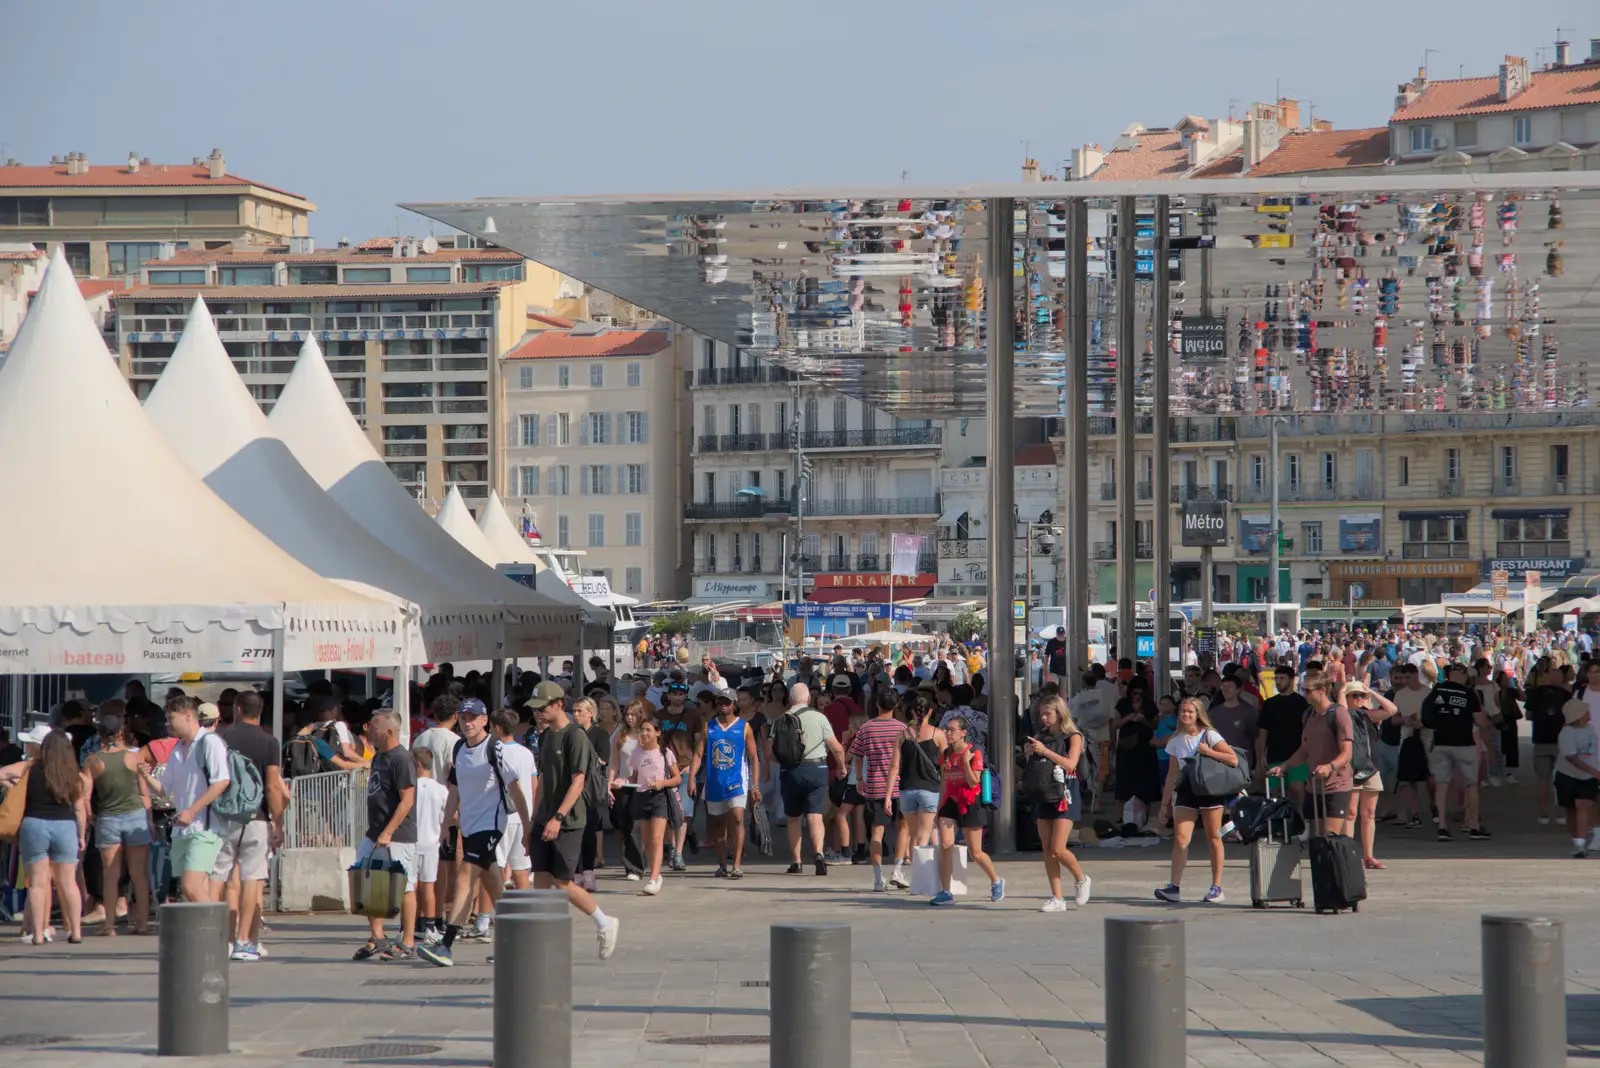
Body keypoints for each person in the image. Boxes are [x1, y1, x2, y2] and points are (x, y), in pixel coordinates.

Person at [417, 699, 531, 968]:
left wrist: (528, 828)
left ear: (484, 721)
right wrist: (446, 824)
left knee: (466, 875)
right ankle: (518, 940)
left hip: (491, 825)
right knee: (494, 884)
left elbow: (516, 790)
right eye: (464, 717)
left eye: (473, 718)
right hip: (468, 825)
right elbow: (454, 789)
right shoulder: (458, 747)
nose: (467, 723)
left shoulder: (495, 748)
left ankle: (446, 945)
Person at [529, 690, 619, 957]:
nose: (537, 712)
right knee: (541, 880)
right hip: (545, 818)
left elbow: (578, 781)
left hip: (568, 820)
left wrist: (558, 817)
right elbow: (544, 780)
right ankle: (544, 940)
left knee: (563, 883)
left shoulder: (575, 735)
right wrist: (534, 819)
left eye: (542, 706)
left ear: (558, 705)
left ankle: (604, 922)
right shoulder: (545, 736)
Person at [210, 691, 286, 961]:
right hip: (257, 817)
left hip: (223, 815)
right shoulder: (270, 742)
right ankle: (245, 942)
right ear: (260, 711)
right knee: (252, 878)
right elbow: (273, 785)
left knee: (219, 877)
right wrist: (278, 822)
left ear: (237, 708)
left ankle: (219, 940)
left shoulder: (221, 739)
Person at [3, 728, 87, 943]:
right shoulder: (73, 774)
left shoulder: (31, 770)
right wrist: (81, 834)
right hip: (65, 826)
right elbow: (79, 808)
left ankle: (38, 934)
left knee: (38, 883)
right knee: (68, 882)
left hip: (35, 825)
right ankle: (76, 931)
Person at [1154, 697, 1239, 905]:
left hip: (1209, 788)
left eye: (1190, 712)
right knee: (1181, 838)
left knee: (1213, 837)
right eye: (1183, 711)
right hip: (1186, 790)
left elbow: (1233, 759)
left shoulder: (1209, 735)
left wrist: (1208, 751)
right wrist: (1164, 805)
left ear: (1198, 714)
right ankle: (1174, 887)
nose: (1186, 715)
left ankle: (1216, 887)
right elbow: (1172, 774)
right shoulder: (1175, 740)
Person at [350, 711, 417, 962]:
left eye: (375, 726)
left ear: (389, 731)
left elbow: (407, 799)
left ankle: (408, 941)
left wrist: (389, 831)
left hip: (398, 835)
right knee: (364, 881)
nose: (369, 729)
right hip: (374, 832)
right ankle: (377, 936)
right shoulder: (379, 756)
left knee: (404, 886)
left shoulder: (401, 758)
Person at [152, 695, 232, 904]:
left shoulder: (210, 742)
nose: (167, 723)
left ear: (188, 716)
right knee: (192, 890)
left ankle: (217, 933)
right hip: (182, 830)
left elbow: (222, 782)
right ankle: (211, 933)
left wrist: (191, 810)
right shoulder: (178, 749)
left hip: (205, 827)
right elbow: (163, 788)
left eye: (171, 718)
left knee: (191, 886)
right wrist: (142, 776)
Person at [83, 708, 152, 937]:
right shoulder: (133, 758)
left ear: (100, 733)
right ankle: (141, 923)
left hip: (108, 819)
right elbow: (144, 793)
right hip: (135, 816)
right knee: (138, 874)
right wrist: (149, 819)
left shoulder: (93, 761)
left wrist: (91, 816)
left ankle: (109, 925)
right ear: (121, 732)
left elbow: (85, 794)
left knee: (110, 874)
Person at [771, 683, 848, 876]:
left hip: (790, 771)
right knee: (815, 815)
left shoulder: (781, 719)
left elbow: (771, 753)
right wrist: (841, 766)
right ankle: (819, 854)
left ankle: (796, 862)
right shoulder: (819, 717)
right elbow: (837, 747)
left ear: (790, 700)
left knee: (793, 818)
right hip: (817, 768)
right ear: (808, 699)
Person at [1024, 695, 1091, 912]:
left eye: (1048, 714)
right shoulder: (1040, 736)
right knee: (1047, 849)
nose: (1043, 718)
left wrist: (1045, 751)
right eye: (1041, 714)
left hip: (1065, 794)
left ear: (1059, 714)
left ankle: (1081, 879)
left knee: (1058, 848)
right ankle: (1057, 897)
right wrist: (1030, 754)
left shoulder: (1073, 736)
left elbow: (1071, 764)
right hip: (1045, 792)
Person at [929, 715, 1001, 905]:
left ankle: (996, 880)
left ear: (963, 733)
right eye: (947, 729)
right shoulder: (945, 754)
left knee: (975, 852)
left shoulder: (974, 752)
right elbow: (944, 782)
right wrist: (938, 808)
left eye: (952, 730)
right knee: (945, 845)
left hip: (970, 801)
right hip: (951, 802)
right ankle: (946, 891)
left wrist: (966, 763)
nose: (948, 733)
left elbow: (974, 781)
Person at [691, 691, 761, 879]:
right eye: (721, 702)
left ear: (734, 705)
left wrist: (755, 785)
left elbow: (754, 756)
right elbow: (698, 755)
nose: (724, 706)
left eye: (727, 703)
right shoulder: (709, 727)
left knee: (738, 818)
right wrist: (691, 778)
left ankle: (737, 864)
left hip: (737, 781)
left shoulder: (744, 727)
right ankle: (722, 864)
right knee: (717, 826)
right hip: (714, 782)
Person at [1423, 662, 1493, 841]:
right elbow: (1480, 721)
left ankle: (1442, 827)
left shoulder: (1437, 690)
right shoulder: (1469, 693)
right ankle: (1474, 826)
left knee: (1442, 785)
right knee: (1471, 785)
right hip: (1464, 743)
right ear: (1463, 676)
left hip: (1441, 742)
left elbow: (1426, 716)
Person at [848, 689, 906, 893]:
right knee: (903, 828)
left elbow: (856, 755)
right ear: (896, 706)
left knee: (876, 832)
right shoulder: (902, 729)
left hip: (874, 787)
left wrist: (860, 778)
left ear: (877, 705)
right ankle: (898, 869)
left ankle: (877, 877)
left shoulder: (866, 728)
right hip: (899, 786)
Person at [617, 718, 679, 894]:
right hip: (641, 797)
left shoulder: (665, 752)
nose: (644, 733)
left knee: (656, 838)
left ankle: (653, 878)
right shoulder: (638, 752)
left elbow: (677, 778)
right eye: (642, 730)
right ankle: (656, 873)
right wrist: (623, 781)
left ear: (657, 732)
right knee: (647, 841)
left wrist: (662, 783)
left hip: (659, 797)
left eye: (648, 730)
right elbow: (635, 777)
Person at [1342, 681, 1397, 870]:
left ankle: (1368, 855)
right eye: (1354, 696)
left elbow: (1391, 709)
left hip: (1371, 767)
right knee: (1350, 814)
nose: (1359, 699)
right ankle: (1348, 855)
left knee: (1369, 813)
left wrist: (1371, 693)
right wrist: (1342, 691)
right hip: (1351, 768)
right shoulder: (1342, 715)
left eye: (1361, 696)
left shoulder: (1367, 716)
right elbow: (1342, 711)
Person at [490, 709, 538, 899]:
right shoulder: (526, 752)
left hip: (504, 816)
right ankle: (524, 911)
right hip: (524, 816)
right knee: (521, 869)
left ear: (497, 728)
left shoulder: (495, 752)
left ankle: (497, 910)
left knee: (498, 866)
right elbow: (535, 786)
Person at [608, 699, 651, 880]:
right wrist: (609, 784)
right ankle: (635, 863)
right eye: (628, 715)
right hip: (623, 785)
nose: (630, 718)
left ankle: (635, 867)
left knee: (636, 825)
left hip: (642, 785)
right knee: (624, 825)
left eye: (634, 715)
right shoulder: (621, 734)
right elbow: (614, 762)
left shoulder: (646, 734)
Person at [412, 747, 449, 945]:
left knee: (410, 887)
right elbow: (452, 815)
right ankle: (430, 926)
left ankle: (407, 927)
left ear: (417, 764)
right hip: (432, 843)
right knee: (428, 887)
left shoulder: (409, 788)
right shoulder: (441, 789)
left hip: (411, 842)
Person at [1554, 699, 1600, 857]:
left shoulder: (1590, 729)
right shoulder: (1567, 733)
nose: (1589, 713)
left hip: (1588, 778)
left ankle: (1581, 843)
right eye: (1585, 711)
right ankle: (1576, 841)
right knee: (1571, 809)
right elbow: (1572, 758)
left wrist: (1595, 772)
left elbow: (1594, 752)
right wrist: (1594, 771)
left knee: (1583, 805)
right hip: (1568, 776)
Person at [1257, 666, 1309, 804]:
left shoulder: (1302, 702)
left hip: (1297, 755)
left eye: (1282, 678)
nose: (1278, 682)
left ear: (1292, 680)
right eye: (1276, 678)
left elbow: (1307, 730)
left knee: (1297, 790)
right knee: (1276, 794)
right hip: (1274, 754)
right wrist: (1262, 754)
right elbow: (1263, 730)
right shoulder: (1269, 704)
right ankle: (1279, 824)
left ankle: (1299, 822)